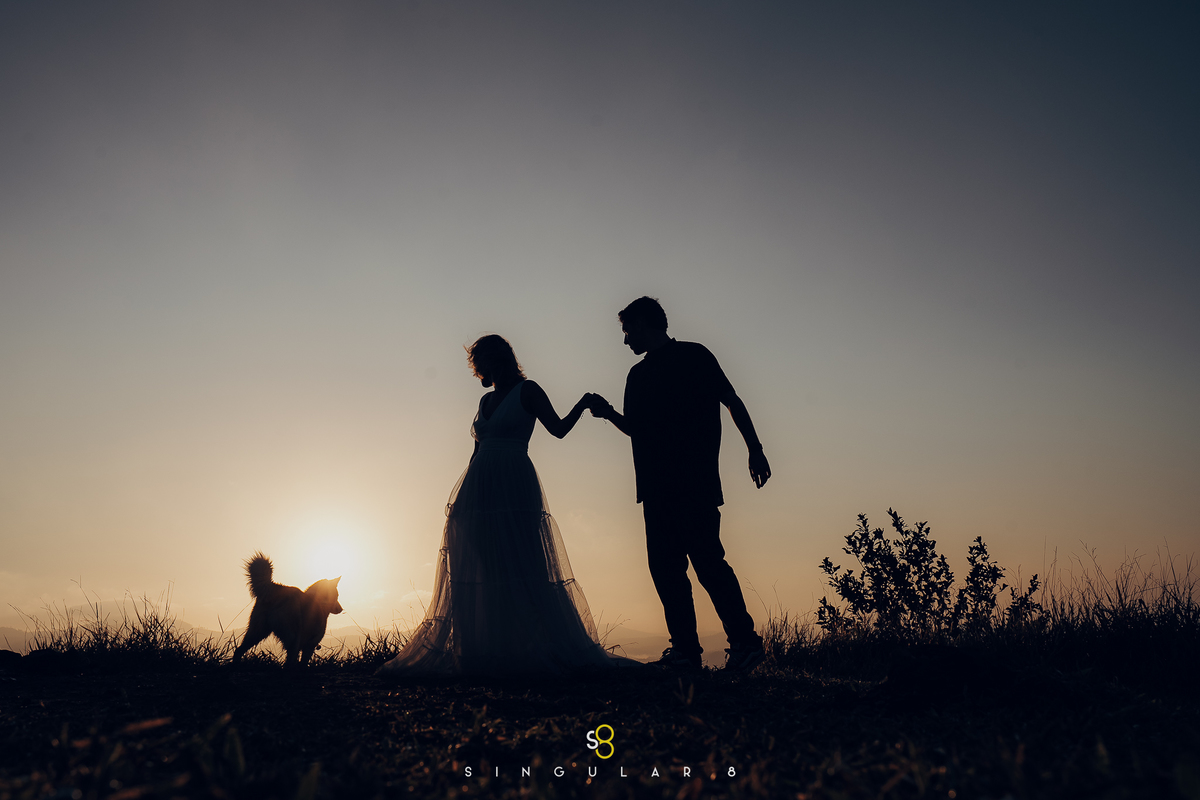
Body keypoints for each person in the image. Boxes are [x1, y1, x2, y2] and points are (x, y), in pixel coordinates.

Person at [377, 334, 631, 677]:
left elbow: (557, 430)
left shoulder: (529, 391)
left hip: (514, 482)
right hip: (479, 488)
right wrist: (460, 501)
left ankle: (531, 649)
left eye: (478, 363)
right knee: (483, 567)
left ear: (494, 361)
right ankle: (487, 651)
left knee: (522, 563)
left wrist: (583, 403)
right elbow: (477, 452)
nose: (477, 371)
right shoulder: (484, 401)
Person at [590, 297, 770, 671]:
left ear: (643, 323)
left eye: (627, 331)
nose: (625, 341)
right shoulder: (635, 376)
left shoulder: (695, 356)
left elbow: (731, 400)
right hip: (654, 488)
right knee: (666, 570)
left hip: (695, 481)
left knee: (708, 563)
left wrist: (755, 449)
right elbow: (636, 429)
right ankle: (686, 652)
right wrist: (608, 414)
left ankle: (745, 643)